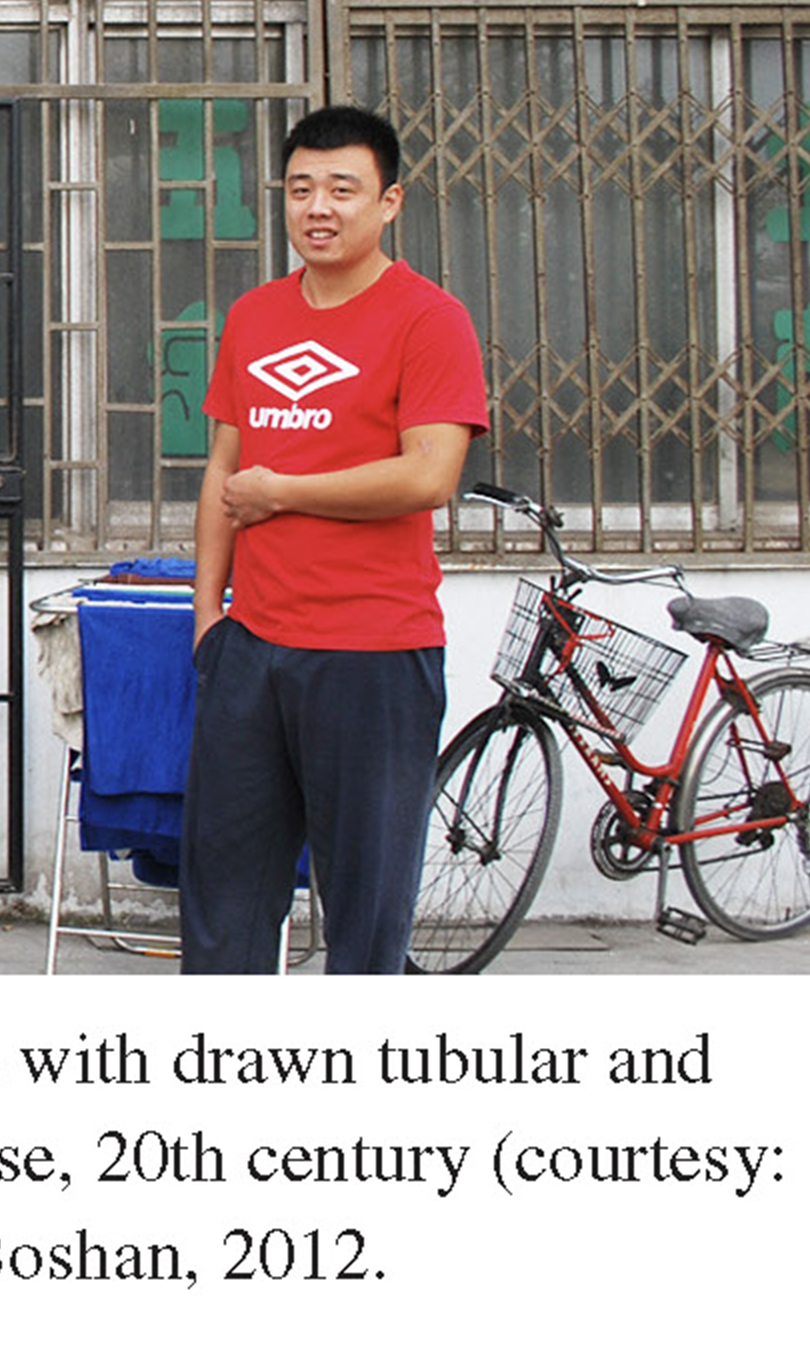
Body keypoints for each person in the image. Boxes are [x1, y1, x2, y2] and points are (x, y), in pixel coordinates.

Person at [178, 104, 487, 975]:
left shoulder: (427, 320)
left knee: (363, 915)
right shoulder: (255, 315)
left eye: (342, 190)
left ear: (388, 202)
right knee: (223, 905)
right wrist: (209, 618)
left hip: (373, 656)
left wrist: (285, 493)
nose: (318, 208)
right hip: (253, 649)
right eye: (300, 188)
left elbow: (429, 475)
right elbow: (222, 472)